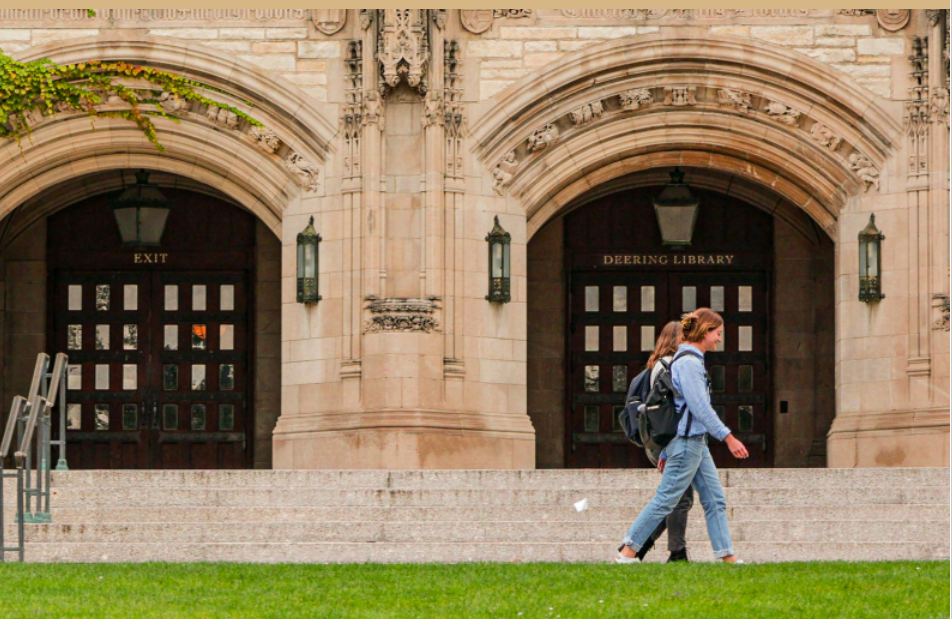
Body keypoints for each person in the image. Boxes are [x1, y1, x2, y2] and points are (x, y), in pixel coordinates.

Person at [615, 308, 749, 565]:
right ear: (705, 332)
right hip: (687, 444)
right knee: (666, 499)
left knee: (715, 500)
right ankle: (627, 552)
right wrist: (729, 437)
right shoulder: (688, 363)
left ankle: (728, 557)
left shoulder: (690, 360)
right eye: (717, 333)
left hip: (695, 443)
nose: (719, 339)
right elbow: (699, 408)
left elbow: (681, 410)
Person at [626, 321, 695, 563]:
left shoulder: (655, 366)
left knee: (676, 497)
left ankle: (639, 547)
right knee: (678, 498)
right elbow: (671, 411)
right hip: (668, 442)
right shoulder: (670, 367)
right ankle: (675, 553)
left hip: (657, 442)